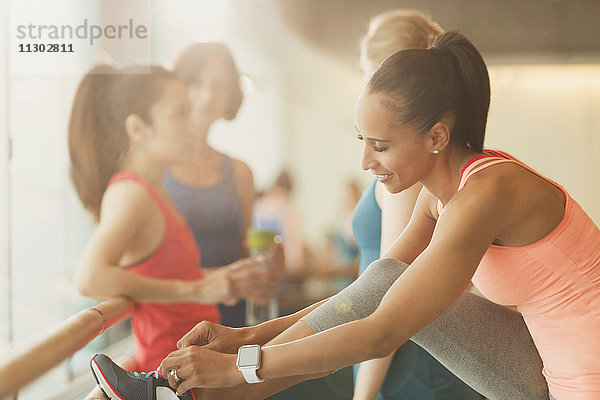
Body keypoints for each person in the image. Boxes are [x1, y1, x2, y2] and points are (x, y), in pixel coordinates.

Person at [152, 30, 600, 400]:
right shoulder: (439, 198)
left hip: (581, 383)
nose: (367, 162)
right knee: (384, 277)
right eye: (363, 141)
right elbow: (366, 293)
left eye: (381, 147)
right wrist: (247, 338)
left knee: (385, 289)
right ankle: (206, 395)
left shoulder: (487, 193)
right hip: (542, 361)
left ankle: (212, 394)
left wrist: (238, 369)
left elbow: (381, 333)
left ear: (436, 137)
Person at [70, 64, 271, 377]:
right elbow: (89, 277)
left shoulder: (155, 192)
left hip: (193, 369)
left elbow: (166, 273)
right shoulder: (130, 193)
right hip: (172, 378)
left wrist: (223, 279)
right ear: (138, 129)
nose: (193, 125)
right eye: (180, 114)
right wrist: (198, 290)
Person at [352, 10, 479, 400]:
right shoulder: (413, 166)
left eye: (371, 77)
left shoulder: (407, 177)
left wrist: (363, 394)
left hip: (403, 358)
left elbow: (391, 285)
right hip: (389, 350)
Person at [162, 42, 258, 328]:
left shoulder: (240, 173)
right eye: (195, 82)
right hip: (170, 322)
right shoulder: (154, 170)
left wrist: (268, 259)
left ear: (231, 95)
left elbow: (246, 250)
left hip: (232, 323)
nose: (206, 96)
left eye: (219, 85)